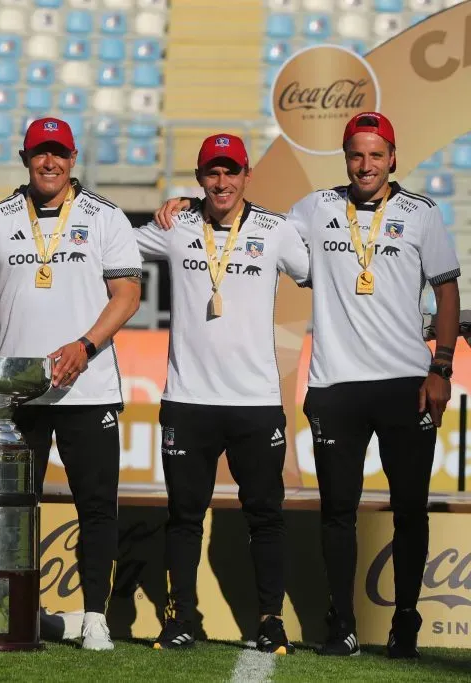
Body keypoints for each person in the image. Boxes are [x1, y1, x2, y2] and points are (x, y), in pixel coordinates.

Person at [154, 112, 460, 659]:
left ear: (393, 157)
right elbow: (242, 221)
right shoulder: (313, 209)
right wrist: (184, 205)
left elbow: (446, 290)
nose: (365, 165)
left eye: (375, 154)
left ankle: (406, 619)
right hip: (334, 385)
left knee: (409, 507)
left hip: (407, 382)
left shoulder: (422, 214)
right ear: (346, 158)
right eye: (355, 155)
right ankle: (340, 622)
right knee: (337, 512)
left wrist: (441, 366)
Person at [0, 117, 143, 650]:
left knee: (96, 504)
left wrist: (86, 346)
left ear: (73, 157)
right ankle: (19, 613)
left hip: (89, 387)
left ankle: (96, 615)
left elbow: (126, 295)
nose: (49, 163)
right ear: (25, 158)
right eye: (39, 154)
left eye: (58, 154)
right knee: (15, 506)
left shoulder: (105, 217)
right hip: (17, 393)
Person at [133, 135, 309, 653]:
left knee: (265, 514)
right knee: (185, 516)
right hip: (189, 400)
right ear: (199, 176)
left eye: (231, 172)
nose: (222, 182)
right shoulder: (176, 227)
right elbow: (108, 242)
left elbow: (321, 272)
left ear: (247, 175)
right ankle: (181, 617)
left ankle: (270, 619)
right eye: (212, 172)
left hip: (256, 401)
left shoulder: (276, 231)